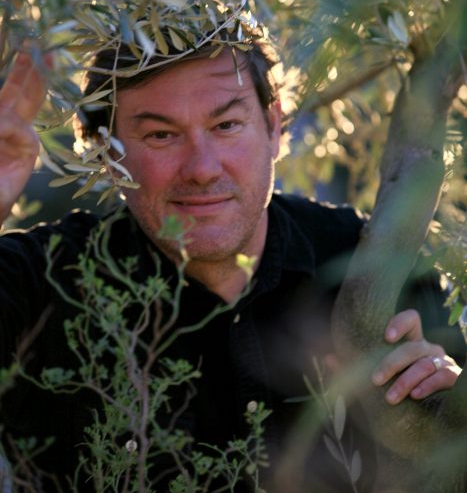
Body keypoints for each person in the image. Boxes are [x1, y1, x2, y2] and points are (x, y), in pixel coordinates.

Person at [0, 34, 464, 493]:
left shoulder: (374, 263)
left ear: (273, 126)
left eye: (226, 126)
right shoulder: (41, 282)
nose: (202, 169)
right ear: (107, 154)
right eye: (161, 135)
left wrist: (450, 404)